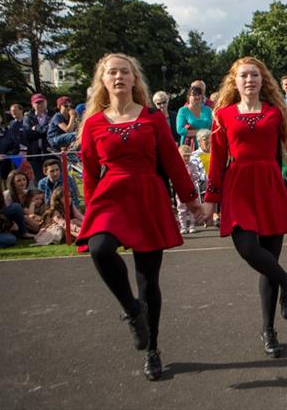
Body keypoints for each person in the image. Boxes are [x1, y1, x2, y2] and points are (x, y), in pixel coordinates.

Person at [76, 53, 203, 381]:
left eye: (124, 72)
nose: (118, 77)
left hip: (147, 196)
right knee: (99, 248)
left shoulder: (152, 117)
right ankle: (133, 311)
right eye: (111, 73)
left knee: (148, 281)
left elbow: (174, 164)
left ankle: (152, 349)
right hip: (110, 198)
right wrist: (91, 211)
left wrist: (191, 201)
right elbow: (90, 173)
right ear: (102, 82)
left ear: (135, 79)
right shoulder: (92, 123)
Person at [202, 57, 287, 358]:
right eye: (244, 76)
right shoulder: (222, 114)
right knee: (248, 248)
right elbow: (218, 163)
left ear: (263, 81)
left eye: (255, 75)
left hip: (270, 187)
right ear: (234, 82)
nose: (250, 80)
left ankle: (269, 330)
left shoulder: (277, 114)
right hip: (238, 187)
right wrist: (211, 201)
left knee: (268, 260)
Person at [23, 93, 53, 182]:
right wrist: (44, 129)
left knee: (53, 178)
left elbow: (51, 132)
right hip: (34, 153)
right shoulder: (28, 117)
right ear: (32, 105)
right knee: (40, 180)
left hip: (50, 152)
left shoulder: (53, 114)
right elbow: (28, 134)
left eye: (42, 102)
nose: (40, 104)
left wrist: (36, 128)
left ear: (46, 102)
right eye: (37, 103)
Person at [177, 144, 204, 234]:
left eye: (188, 156)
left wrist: (192, 176)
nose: (187, 158)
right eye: (185, 156)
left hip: (192, 189)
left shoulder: (192, 165)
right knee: (182, 209)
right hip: (181, 191)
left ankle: (192, 225)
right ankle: (183, 226)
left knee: (192, 209)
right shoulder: (178, 166)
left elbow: (197, 176)